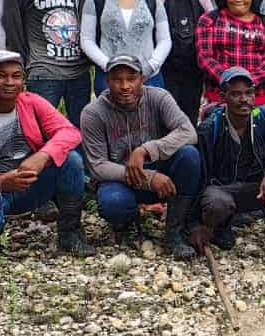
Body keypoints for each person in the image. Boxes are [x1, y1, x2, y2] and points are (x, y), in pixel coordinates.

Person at [0, 50, 93, 255]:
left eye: (16, 76)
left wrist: (42, 156)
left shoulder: (32, 103)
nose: (10, 82)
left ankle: (69, 234)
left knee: (71, 161)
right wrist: (1, 182)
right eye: (1, 76)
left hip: (29, 185)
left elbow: (69, 132)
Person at [80, 55, 200, 258]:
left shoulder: (158, 97)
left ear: (142, 79)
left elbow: (189, 132)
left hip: (165, 180)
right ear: (107, 81)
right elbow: (97, 166)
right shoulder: (93, 113)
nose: (125, 85)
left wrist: (146, 149)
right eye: (117, 79)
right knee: (112, 203)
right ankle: (128, 219)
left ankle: (174, 233)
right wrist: (149, 177)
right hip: (123, 182)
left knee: (189, 155)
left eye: (131, 78)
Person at [191, 68, 265, 274]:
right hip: (223, 190)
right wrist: (197, 223)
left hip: (256, 189)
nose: (243, 99)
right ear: (223, 97)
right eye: (235, 94)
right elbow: (201, 177)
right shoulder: (210, 127)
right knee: (217, 203)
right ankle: (219, 226)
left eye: (248, 93)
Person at [81, 0, 170, 94]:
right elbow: (86, 39)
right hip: (109, 77)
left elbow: (165, 39)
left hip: (149, 77)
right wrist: (108, 64)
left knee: (149, 116)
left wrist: (151, 65)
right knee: (112, 117)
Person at [195, 0, 265, 112]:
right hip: (221, 96)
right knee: (220, 133)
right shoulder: (210, 20)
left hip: (259, 96)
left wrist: (248, 80)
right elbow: (204, 57)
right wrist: (229, 79)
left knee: (258, 133)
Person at [150, 0, 214, 125]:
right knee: (161, 119)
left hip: (192, 72)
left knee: (188, 119)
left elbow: (211, 30)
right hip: (161, 70)